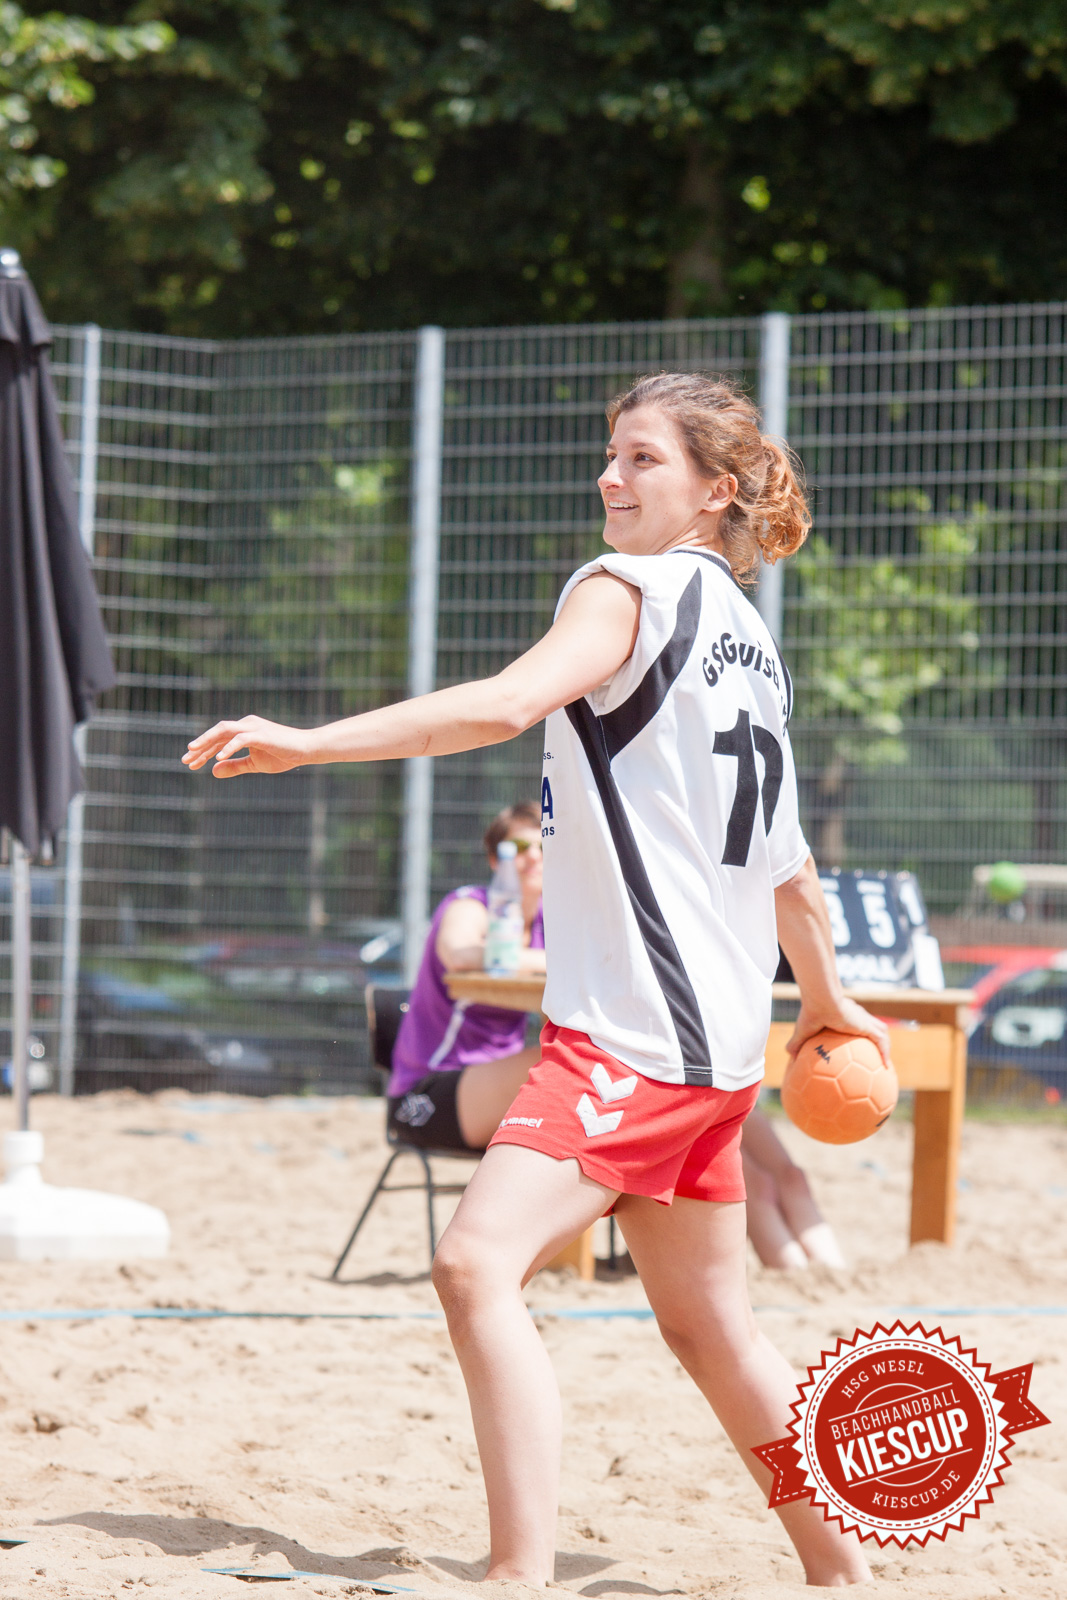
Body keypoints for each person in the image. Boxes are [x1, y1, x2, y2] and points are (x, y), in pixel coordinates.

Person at [183, 370, 889, 1588]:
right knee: (712, 1328)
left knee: (469, 1266)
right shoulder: (753, 644)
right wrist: (823, 1005)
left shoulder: (627, 587)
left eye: (639, 460)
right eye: (608, 456)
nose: (609, 479)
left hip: (629, 1035)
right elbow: (792, 872)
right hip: (714, 1047)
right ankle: (841, 1571)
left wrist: (311, 741)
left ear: (715, 489)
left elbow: (506, 704)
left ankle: (514, 1574)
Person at [388, 802, 546, 1153]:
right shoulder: (470, 905)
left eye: (544, 845)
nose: (534, 857)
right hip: (428, 1091)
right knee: (557, 1068)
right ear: (495, 859)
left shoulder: (550, 924)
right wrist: (553, 961)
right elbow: (460, 955)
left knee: (587, 1061)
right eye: (520, 848)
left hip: (493, 1084)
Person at [741, 1107, 847, 1269]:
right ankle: (793, 1273)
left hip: (733, 1091)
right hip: (698, 1096)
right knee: (756, 1188)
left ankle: (834, 1272)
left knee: (794, 1179)